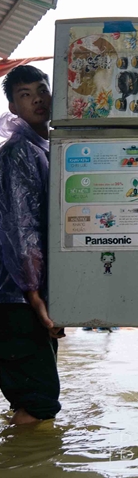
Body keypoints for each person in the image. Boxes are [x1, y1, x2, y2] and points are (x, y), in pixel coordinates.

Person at [0, 65, 63, 425]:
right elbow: (21, 229)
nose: (38, 98)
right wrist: (35, 296)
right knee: (40, 406)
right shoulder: (20, 152)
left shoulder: (44, 148)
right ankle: (25, 476)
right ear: (12, 106)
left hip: (23, 298)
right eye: (25, 94)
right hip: (14, 300)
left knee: (28, 399)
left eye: (41, 89)